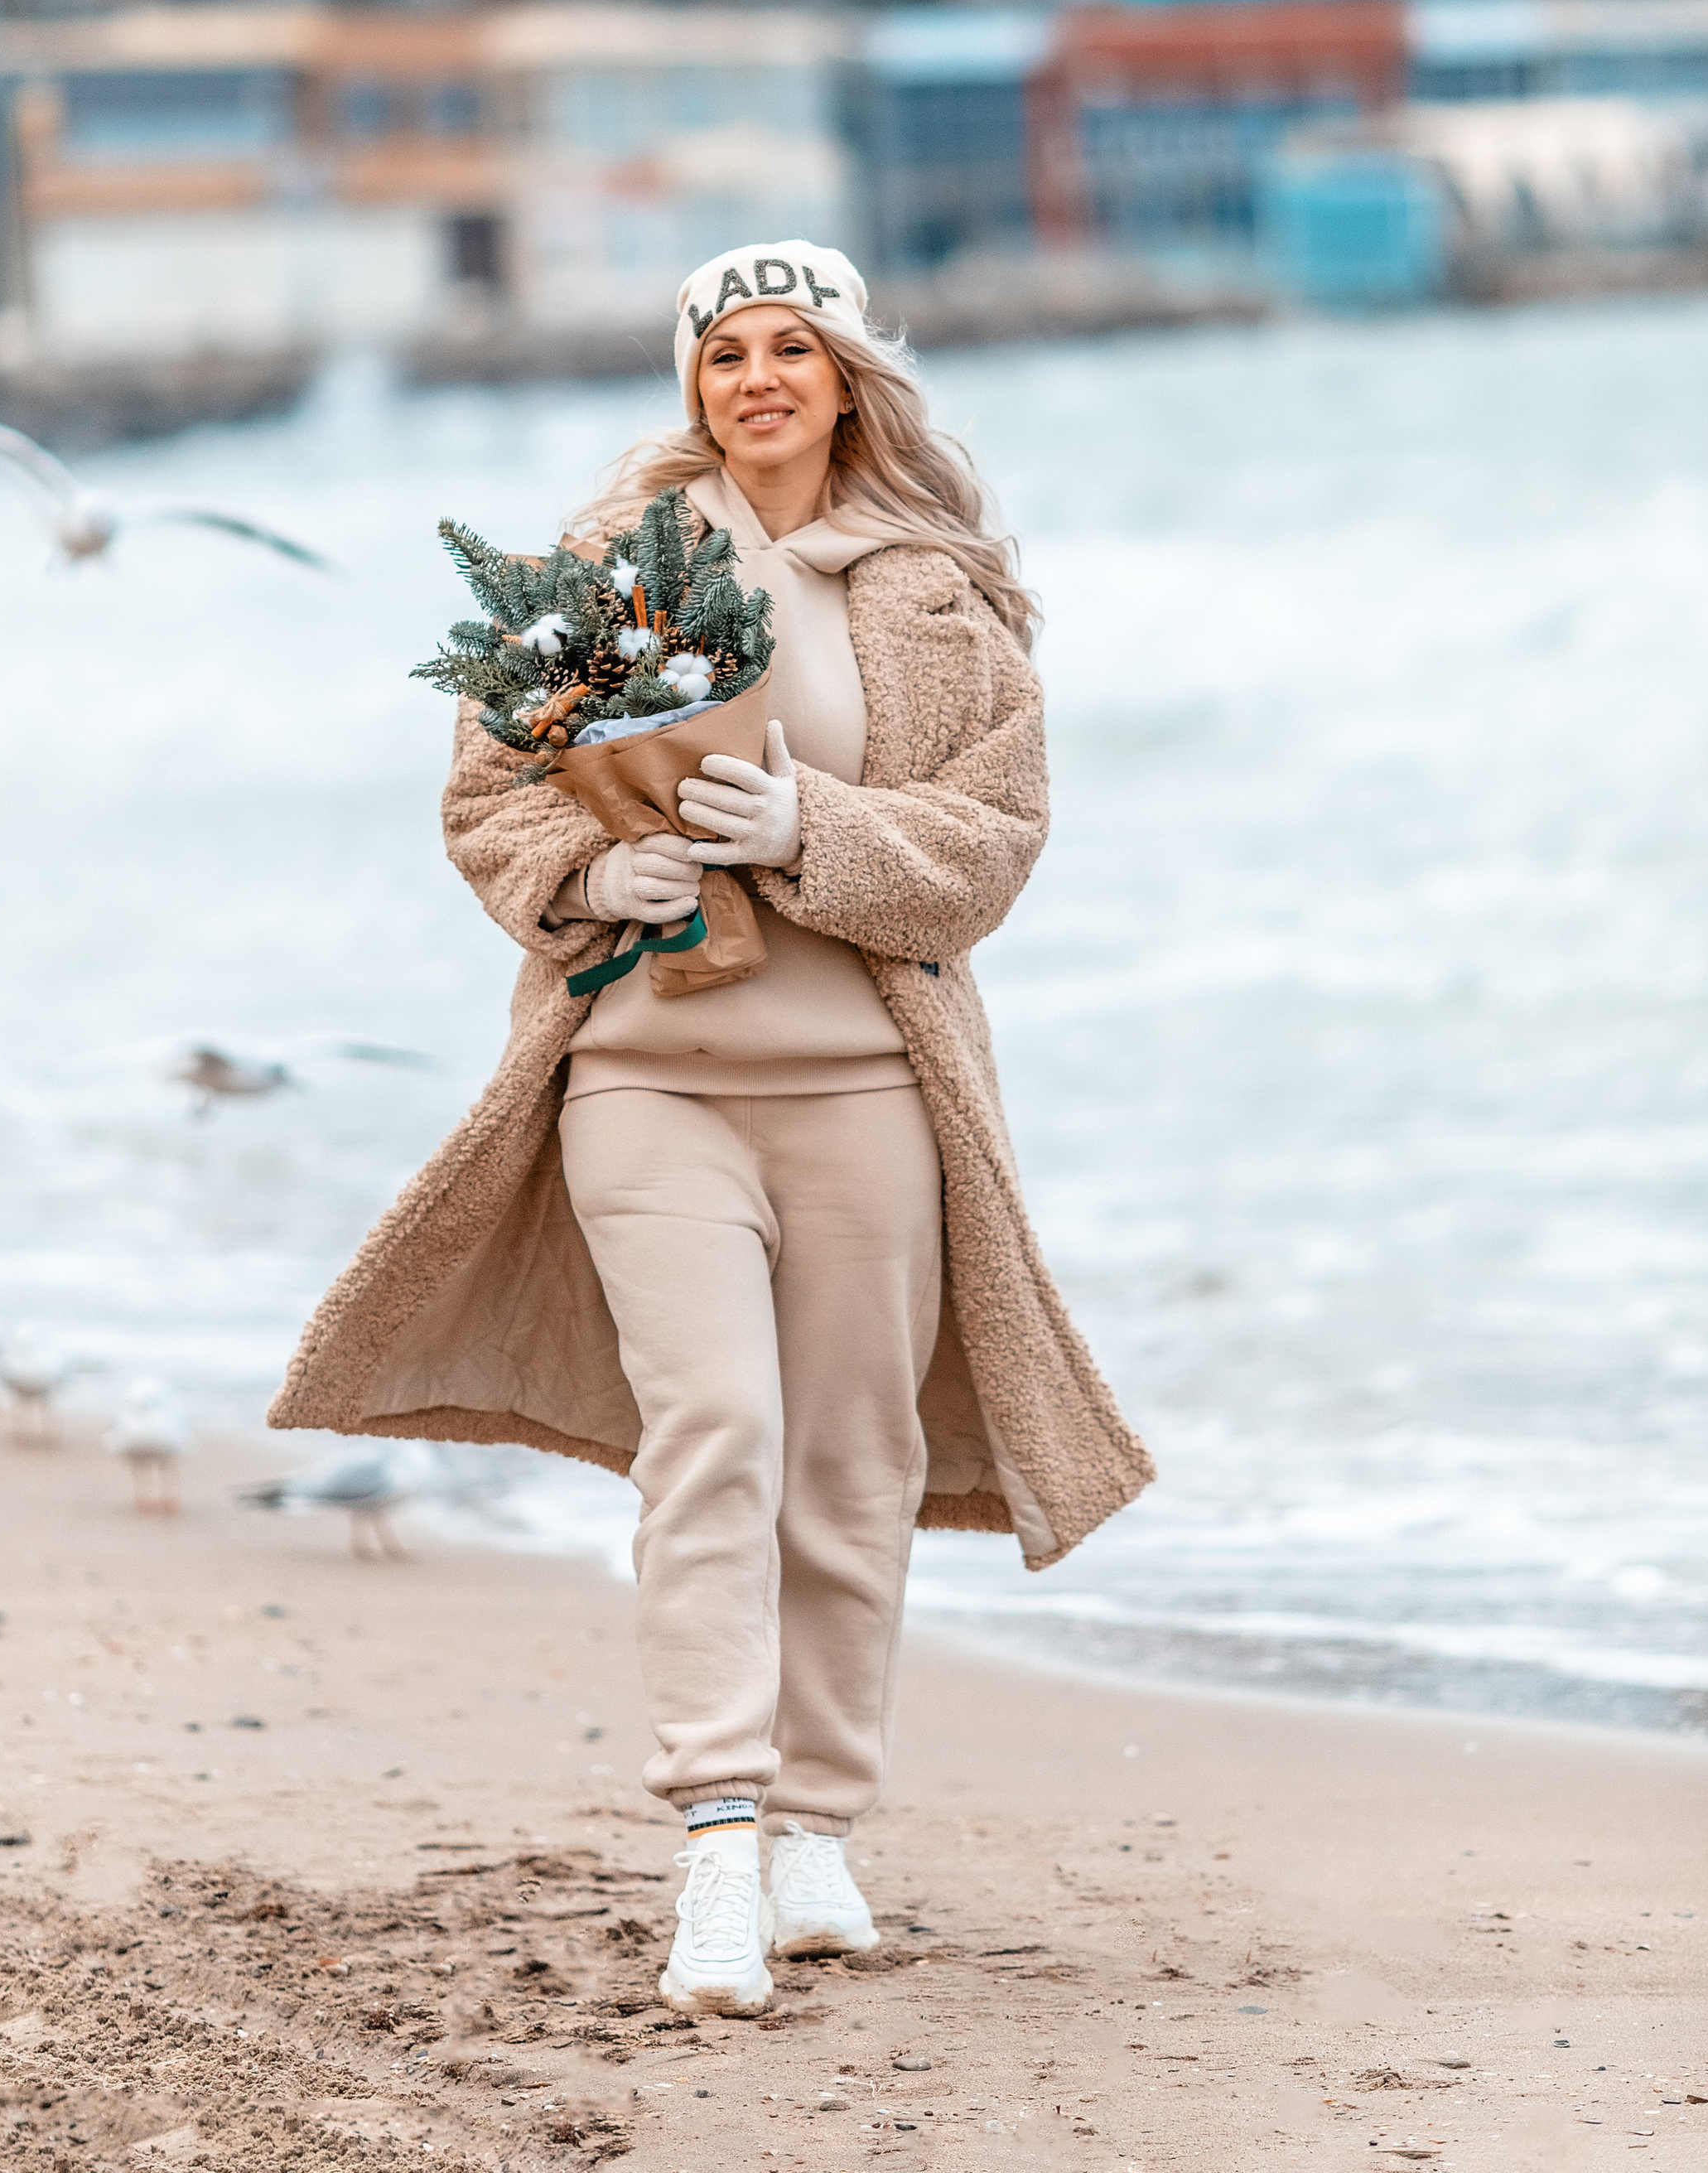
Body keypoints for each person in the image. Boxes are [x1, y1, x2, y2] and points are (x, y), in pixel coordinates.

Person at [271, 238, 1153, 2016]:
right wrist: (604, 866)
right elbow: (488, 802)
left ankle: (819, 1829)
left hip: (874, 1097)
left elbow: (989, 852)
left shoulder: (937, 593)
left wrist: (802, 831)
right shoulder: (592, 575)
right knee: (714, 1436)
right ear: (689, 382)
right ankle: (715, 1847)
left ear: (846, 376)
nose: (757, 376)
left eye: (791, 346)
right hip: (645, 1080)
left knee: (851, 1463)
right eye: (723, 350)